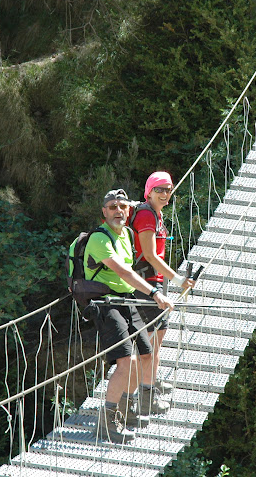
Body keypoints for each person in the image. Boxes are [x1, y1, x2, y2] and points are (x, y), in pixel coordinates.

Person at [85, 188, 174, 444]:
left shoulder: (126, 234)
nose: (117, 211)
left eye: (122, 207)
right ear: (104, 212)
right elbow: (125, 272)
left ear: (128, 211)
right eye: (112, 207)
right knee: (127, 362)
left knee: (145, 355)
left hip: (126, 300)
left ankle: (127, 409)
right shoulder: (99, 239)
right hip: (105, 303)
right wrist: (156, 293)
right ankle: (108, 421)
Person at [129, 172, 194, 398]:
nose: (165, 193)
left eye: (168, 189)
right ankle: (146, 394)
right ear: (149, 191)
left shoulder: (155, 214)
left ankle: (150, 382)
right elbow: (150, 255)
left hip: (152, 282)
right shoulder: (147, 216)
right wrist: (179, 281)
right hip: (146, 284)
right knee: (152, 341)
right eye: (160, 189)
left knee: (156, 338)